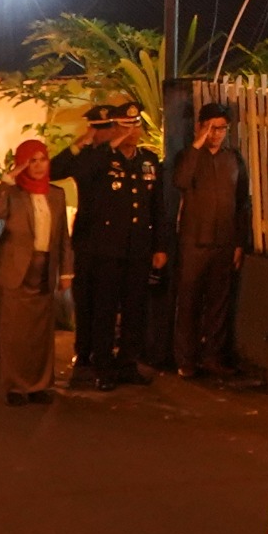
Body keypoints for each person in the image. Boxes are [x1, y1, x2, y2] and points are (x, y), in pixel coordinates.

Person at [53, 103, 164, 390]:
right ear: (114, 129)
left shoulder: (148, 161)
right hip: (104, 249)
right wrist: (96, 142)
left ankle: (128, 363)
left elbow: (158, 208)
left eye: (136, 125)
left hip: (137, 248)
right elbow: (65, 170)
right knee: (103, 309)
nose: (132, 132)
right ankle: (101, 366)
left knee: (134, 309)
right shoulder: (98, 158)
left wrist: (160, 246)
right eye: (125, 126)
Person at [164, 103, 250, 380]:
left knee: (218, 303)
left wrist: (239, 242)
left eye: (222, 128)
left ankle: (212, 356)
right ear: (201, 127)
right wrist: (197, 144)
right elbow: (180, 181)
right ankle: (185, 359)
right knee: (188, 301)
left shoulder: (233, 159)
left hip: (223, 242)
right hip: (194, 241)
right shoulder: (189, 157)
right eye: (212, 128)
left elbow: (242, 203)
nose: (217, 134)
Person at [0, 139, 68, 404]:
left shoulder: (56, 194)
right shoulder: (13, 193)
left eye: (42, 159)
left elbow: (63, 236)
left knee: (40, 332)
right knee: (13, 331)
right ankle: (14, 386)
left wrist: (66, 271)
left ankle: (39, 384)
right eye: (31, 160)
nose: (38, 166)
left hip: (44, 269)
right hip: (15, 270)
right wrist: (7, 180)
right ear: (22, 163)